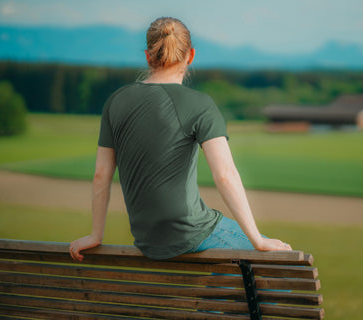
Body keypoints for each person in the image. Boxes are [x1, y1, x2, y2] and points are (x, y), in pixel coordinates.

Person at [69, 17, 291, 261]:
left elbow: (101, 174)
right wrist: (257, 240)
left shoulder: (116, 102)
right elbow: (225, 175)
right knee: (281, 270)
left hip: (148, 241)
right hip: (191, 233)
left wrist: (95, 235)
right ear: (191, 55)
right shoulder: (201, 105)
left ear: (148, 56)